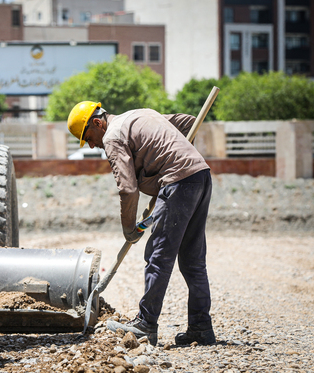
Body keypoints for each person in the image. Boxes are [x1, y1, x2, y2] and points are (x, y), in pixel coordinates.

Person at [67, 101, 216, 346]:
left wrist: (129, 229)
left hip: (178, 182)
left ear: (97, 123)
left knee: (158, 256)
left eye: (89, 137)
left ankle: (146, 324)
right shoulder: (139, 114)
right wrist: (179, 156)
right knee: (193, 260)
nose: (92, 145)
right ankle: (200, 328)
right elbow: (190, 121)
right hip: (200, 175)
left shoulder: (113, 137)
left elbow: (127, 189)